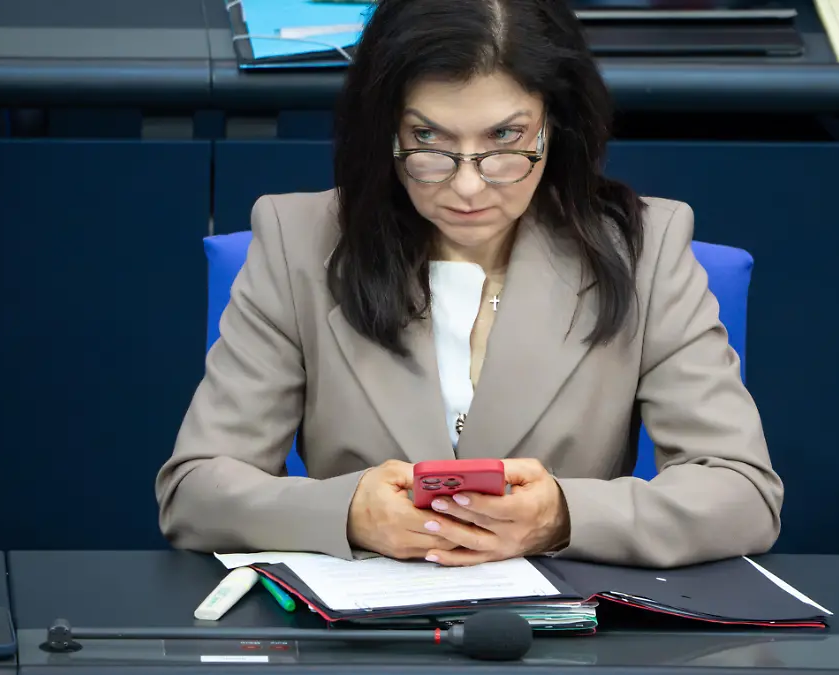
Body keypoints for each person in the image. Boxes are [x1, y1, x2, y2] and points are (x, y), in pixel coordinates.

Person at [155, 0, 782, 569]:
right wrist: (347, 513)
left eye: (505, 139)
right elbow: (196, 489)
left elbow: (742, 491)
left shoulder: (644, 247)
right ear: (386, 132)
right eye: (428, 140)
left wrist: (564, 515)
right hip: (356, 638)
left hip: (565, 637)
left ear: (554, 126)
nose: (468, 186)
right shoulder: (297, 239)